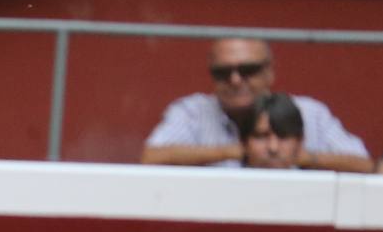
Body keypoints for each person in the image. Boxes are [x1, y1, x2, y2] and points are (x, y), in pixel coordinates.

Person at [141, 37, 371, 173]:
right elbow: (151, 158)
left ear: (269, 72)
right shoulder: (193, 112)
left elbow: (362, 164)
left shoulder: (310, 113)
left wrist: (298, 158)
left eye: (247, 70)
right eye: (223, 72)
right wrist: (236, 152)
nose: (235, 80)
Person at [242, 92, 306, 170]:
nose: (273, 148)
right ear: (243, 141)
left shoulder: (318, 182)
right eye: (262, 136)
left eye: (283, 136)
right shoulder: (225, 180)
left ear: (299, 141)